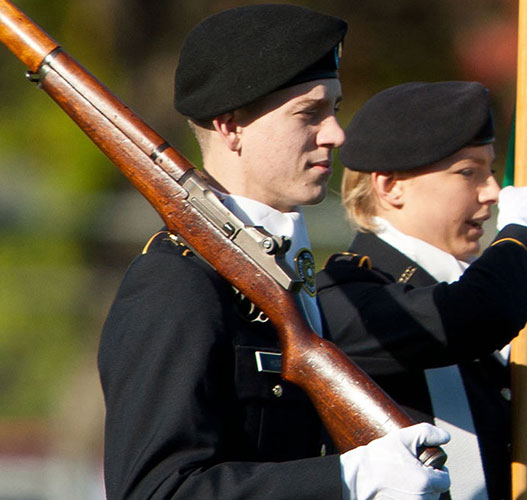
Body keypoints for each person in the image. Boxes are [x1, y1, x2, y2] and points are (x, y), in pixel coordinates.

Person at [98, 5, 449, 499]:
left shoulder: (291, 270)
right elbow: (157, 492)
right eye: (309, 113)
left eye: (335, 110)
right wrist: (347, 481)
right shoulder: (178, 282)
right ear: (230, 126)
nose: (336, 134)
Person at [316, 81, 527, 500]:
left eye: (490, 170)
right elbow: (467, 317)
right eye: (468, 172)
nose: (492, 192)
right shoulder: (347, 294)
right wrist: (526, 242)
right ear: (390, 186)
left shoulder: (464, 286)